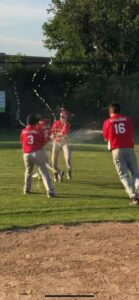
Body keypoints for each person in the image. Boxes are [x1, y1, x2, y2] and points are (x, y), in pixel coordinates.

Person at [103, 102, 139, 205]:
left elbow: (106, 138)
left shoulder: (107, 122)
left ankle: (133, 197)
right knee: (135, 172)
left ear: (110, 112)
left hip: (117, 150)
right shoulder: (127, 119)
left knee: (123, 175)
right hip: (129, 148)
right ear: (119, 110)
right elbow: (131, 132)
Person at [20, 114, 55, 198]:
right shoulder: (37, 131)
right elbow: (43, 141)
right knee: (44, 172)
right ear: (34, 122)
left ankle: (26, 189)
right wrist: (49, 139)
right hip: (37, 153)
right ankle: (50, 191)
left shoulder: (23, 131)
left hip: (26, 154)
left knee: (28, 172)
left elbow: (22, 143)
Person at [50, 110, 71, 182]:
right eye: (61, 117)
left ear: (66, 118)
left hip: (64, 142)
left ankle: (69, 170)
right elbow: (52, 132)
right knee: (53, 161)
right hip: (56, 142)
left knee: (67, 157)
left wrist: (56, 134)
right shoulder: (56, 123)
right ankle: (56, 174)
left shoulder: (67, 124)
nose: (61, 118)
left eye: (63, 117)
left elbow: (64, 133)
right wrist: (52, 135)